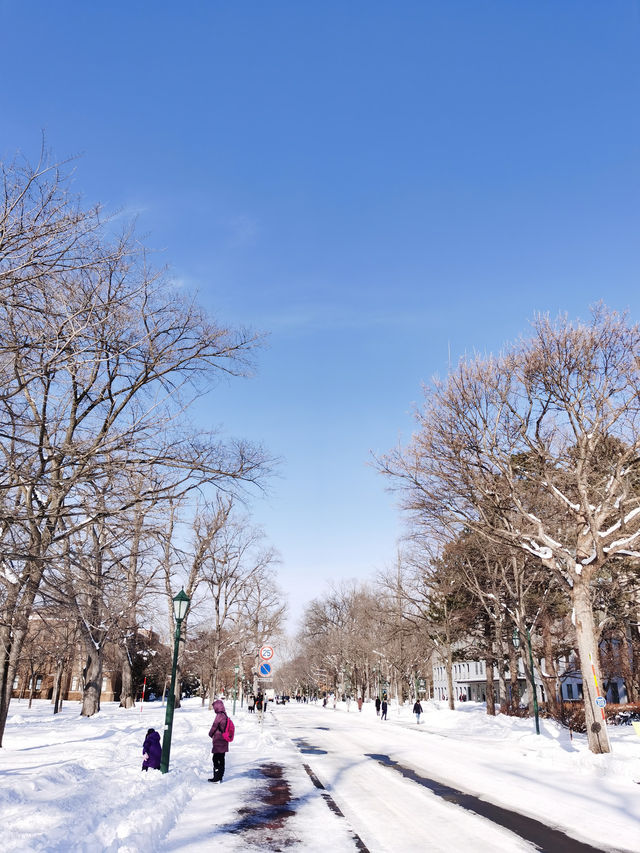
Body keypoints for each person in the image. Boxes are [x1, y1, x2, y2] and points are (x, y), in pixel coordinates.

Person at [208, 699, 230, 783]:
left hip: (218, 740)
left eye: (214, 707)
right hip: (224, 740)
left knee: (215, 758)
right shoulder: (225, 714)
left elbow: (214, 726)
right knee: (221, 758)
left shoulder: (219, 716)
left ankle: (216, 778)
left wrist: (210, 734)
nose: (214, 709)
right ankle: (220, 777)